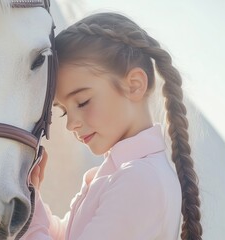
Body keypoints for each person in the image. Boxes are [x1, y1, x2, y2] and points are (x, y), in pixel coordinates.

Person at [24, 12, 202, 240]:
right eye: (64, 111)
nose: (71, 124)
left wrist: (28, 216)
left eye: (82, 102)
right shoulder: (120, 174)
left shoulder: (139, 179)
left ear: (134, 85)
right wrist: (31, 199)